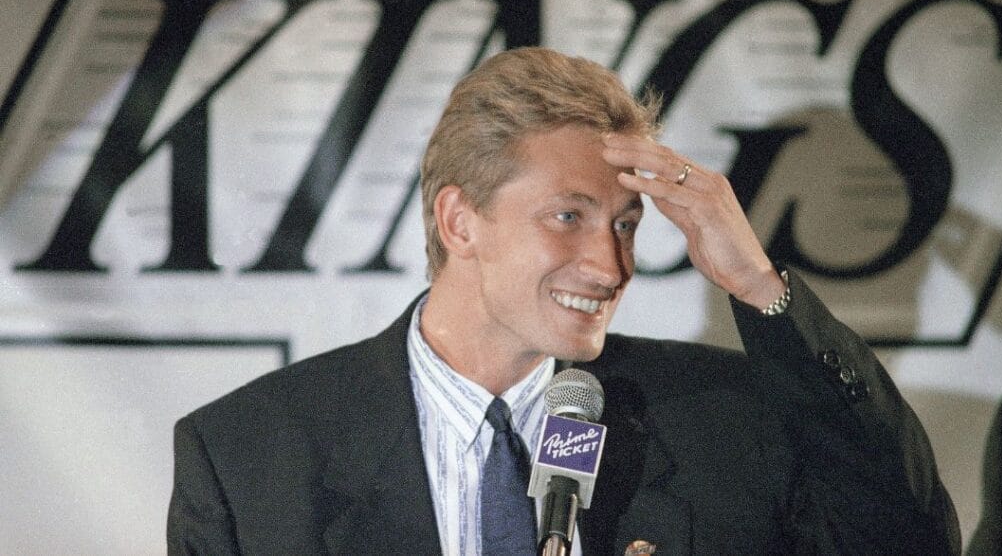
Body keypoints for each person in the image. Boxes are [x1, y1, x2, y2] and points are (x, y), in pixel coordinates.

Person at [168, 47, 960, 554]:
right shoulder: (250, 459)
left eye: (625, 224)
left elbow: (908, 539)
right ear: (459, 219)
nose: (613, 265)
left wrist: (760, 288)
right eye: (568, 216)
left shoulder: (731, 423)